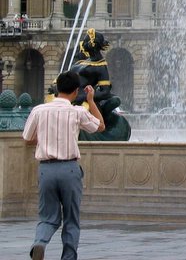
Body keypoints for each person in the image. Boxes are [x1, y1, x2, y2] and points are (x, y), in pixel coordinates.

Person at [22, 70, 105, 260]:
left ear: (57, 88)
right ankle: (68, 257)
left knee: (47, 217)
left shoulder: (39, 110)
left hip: (46, 170)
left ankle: (40, 242)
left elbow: (27, 139)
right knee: (71, 219)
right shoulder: (77, 112)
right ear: (76, 91)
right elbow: (100, 126)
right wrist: (91, 101)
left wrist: (44, 139)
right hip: (69, 169)